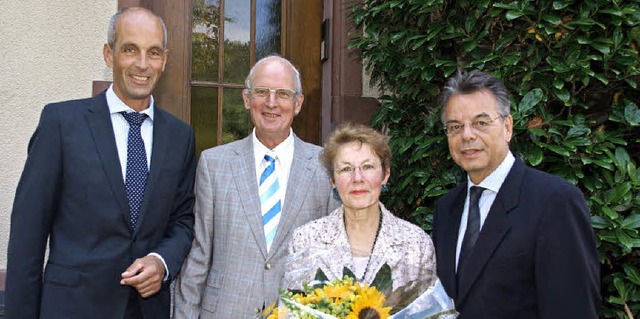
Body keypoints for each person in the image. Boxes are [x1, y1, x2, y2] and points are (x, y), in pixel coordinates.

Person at [5, 7, 196, 319]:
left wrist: (161, 262)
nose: (142, 64)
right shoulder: (61, 124)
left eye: (154, 52)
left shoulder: (180, 136)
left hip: (147, 310)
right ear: (109, 54)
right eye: (130, 50)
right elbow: (28, 234)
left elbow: (183, 220)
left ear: (165, 60)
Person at [173, 55, 339, 318]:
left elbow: (334, 258)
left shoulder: (325, 167)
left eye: (283, 94)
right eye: (262, 92)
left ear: (298, 103)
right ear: (247, 99)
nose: (271, 103)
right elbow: (199, 253)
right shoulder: (214, 164)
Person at [432, 70, 601, 318]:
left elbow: (574, 309)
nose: (466, 135)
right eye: (455, 126)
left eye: (481, 122)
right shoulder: (446, 209)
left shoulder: (555, 201)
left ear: (507, 127)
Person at [284, 123, 437, 294]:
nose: (357, 178)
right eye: (346, 169)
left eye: (367, 167)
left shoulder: (416, 243)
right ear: (333, 180)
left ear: (385, 175)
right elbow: (291, 310)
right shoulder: (305, 241)